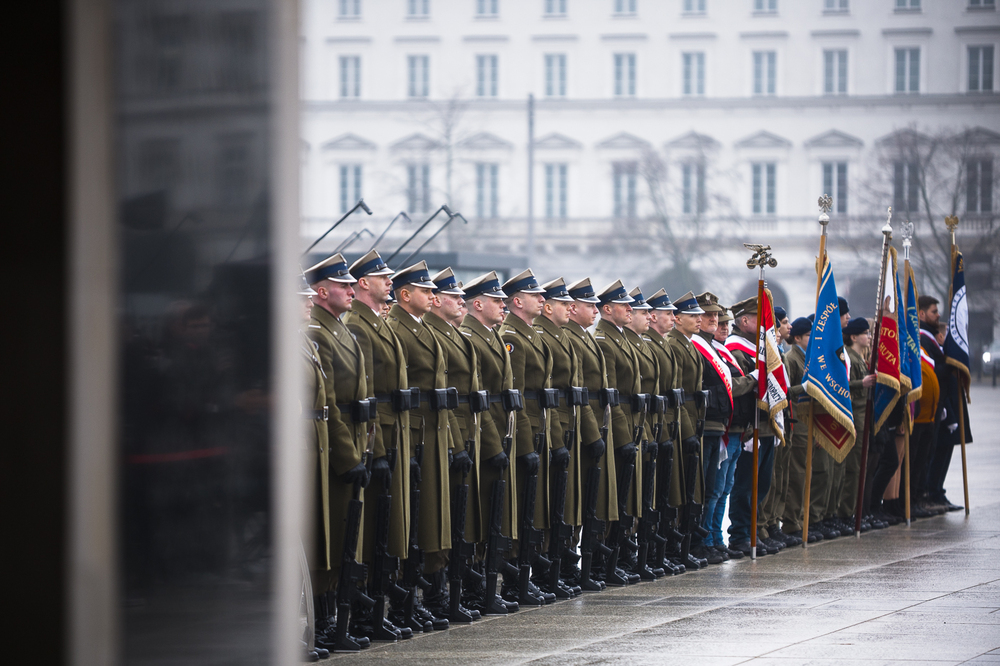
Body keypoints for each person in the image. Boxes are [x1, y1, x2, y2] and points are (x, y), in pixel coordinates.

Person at [342, 249, 413, 641]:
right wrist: (379, 449)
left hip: (397, 429)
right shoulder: (358, 325)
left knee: (391, 525)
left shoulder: (376, 323)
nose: (390, 281)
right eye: (381, 277)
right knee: (374, 529)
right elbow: (366, 394)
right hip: (379, 433)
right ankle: (366, 611)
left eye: (389, 277)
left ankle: (381, 607)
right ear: (362, 284)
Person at [304, 253, 372, 652]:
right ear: (321, 291)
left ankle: (330, 617)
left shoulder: (339, 329)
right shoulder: (317, 333)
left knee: (343, 534)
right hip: (330, 446)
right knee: (328, 537)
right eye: (344, 285)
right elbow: (327, 403)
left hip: (350, 440)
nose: (352, 290)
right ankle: (324, 619)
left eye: (352, 284)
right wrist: (349, 458)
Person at [385, 261, 455, 632]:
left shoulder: (420, 327)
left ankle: (427, 593)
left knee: (432, 514)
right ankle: (407, 599)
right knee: (413, 520)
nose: (434, 296)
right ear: (405, 294)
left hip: (434, 429)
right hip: (413, 431)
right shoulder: (396, 327)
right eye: (426, 291)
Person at [423, 268, 484, 623]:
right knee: (437, 519)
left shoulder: (454, 334)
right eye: (453, 296)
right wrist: (456, 441)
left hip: (462, 431)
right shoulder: (433, 333)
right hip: (437, 432)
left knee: (456, 519)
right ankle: (434, 594)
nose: (459, 302)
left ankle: (450, 591)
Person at [459, 271, 520, 615]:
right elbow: (480, 398)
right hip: (485, 434)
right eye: (497, 301)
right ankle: (475, 588)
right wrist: (494, 444)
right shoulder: (471, 336)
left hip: (501, 430)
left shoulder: (492, 336)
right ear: (477, 304)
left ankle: (485, 584)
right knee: (480, 515)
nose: (503, 305)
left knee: (495, 514)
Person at [499, 269, 555, 606]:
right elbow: (515, 395)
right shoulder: (514, 337)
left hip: (540, 428)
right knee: (521, 509)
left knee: (533, 508)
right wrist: (521, 443)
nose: (543, 300)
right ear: (517, 301)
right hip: (525, 430)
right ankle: (514, 579)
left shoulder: (530, 334)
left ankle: (525, 576)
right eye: (536, 296)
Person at [563, 278, 618, 588]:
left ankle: (584, 565)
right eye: (588, 305)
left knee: (590, 500)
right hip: (581, 428)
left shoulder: (584, 337)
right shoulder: (572, 337)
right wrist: (591, 433)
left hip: (596, 424)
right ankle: (570, 565)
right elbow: (579, 390)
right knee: (573, 501)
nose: (594, 310)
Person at [534, 278, 585, 595]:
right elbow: (542, 393)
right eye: (565, 304)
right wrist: (553, 438)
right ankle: (543, 570)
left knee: (567, 503)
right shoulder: (541, 335)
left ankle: (561, 566)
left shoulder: (559, 336)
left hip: (568, 423)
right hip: (549, 425)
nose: (573, 308)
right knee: (546, 504)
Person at [594, 280, 644, 585]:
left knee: (625, 498)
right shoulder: (604, 339)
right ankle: (603, 560)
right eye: (624, 305)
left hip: (631, 421)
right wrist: (624, 436)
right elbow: (612, 395)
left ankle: (617, 555)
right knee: (610, 497)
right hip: (617, 426)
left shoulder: (620, 337)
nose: (631, 309)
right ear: (607, 309)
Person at [724, 296, 779, 557]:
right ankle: (740, 535)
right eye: (759, 320)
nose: (764, 326)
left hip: (764, 424)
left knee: (762, 484)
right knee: (745, 485)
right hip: (749, 426)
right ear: (744, 320)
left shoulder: (756, 347)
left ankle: (754, 532)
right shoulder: (736, 349)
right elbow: (741, 388)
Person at [298, 273, 331, 661]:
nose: (309, 303)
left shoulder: (305, 341)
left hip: (314, 442)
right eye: (301, 298)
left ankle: (307, 627)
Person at [665, 291, 710, 569]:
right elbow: (677, 392)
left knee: (692, 487)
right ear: (677, 319)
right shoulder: (675, 344)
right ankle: (673, 547)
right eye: (693, 316)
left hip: (694, 418)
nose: (699, 319)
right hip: (682, 422)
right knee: (679, 488)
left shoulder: (690, 344)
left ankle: (683, 545)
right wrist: (686, 430)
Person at [918, 295, 970, 512]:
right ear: (921, 314)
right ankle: (927, 493)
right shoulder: (922, 339)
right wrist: (950, 363)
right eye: (933, 311)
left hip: (945, 401)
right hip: (933, 405)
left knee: (944, 448)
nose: (938, 315)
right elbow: (930, 371)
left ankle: (936, 491)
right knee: (930, 451)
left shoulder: (932, 337)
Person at [708, 307, 746, 559]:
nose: (723, 328)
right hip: (721, 427)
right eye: (719, 323)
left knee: (725, 487)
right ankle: (708, 537)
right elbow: (731, 384)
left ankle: (716, 538)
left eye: (727, 324)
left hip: (735, 427)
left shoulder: (722, 351)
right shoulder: (715, 351)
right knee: (715, 488)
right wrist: (754, 379)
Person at [838, 317, 878, 532]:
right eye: (865, 333)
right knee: (853, 467)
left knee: (862, 467)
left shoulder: (859, 358)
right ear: (854, 337)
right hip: (855, 415)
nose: (869, 336)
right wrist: (860, 383)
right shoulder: (849, 358)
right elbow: (841, 384)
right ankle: (846, 513)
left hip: (864, 415)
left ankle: (855, 511)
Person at [779, 317, 817, 544]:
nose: (813, 339)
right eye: (809, 335)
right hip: (797, 420)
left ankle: (803, 520)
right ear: (799, 338)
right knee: (796, 475)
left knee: (807, 474)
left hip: (808, 422)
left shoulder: (809, 359)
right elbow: (785, 391)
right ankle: (792, 522)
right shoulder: (792, 359)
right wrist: (803, 387)